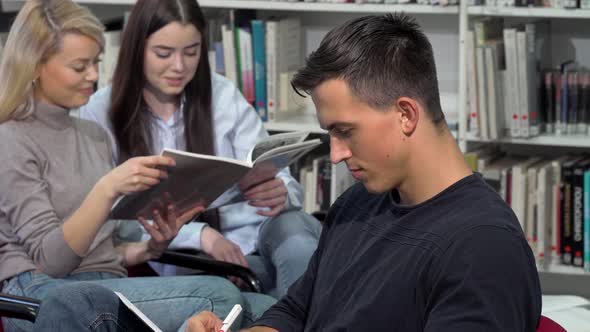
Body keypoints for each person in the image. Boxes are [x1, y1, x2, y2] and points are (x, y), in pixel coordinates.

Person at [184, 13, 543, 332]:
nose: (336, 154)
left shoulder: (483, 249)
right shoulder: (356, 203)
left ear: (406, 115)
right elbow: (297, 310)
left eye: (345, 131)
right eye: (330, 134)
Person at [0, 1, 274, 331]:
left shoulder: (92, 135)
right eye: (79, 66)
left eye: (96, 62)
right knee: (217, 296)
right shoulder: (11, 139)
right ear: (35, 66)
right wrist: (107, 189)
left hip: (104, 284)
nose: (93, 75)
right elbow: (50, 262)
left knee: (269, 310)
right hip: (44, 296)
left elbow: (106, 248)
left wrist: (150, 247)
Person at [78, 0, 321, 298]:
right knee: (272, 288)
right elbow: (107, 218)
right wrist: (201, 235)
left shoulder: (222, 94)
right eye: (163, 53)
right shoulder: (100, 111)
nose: (179, 66)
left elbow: (281, 178)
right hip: (179, 258)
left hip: (256, 233)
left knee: (298, 242)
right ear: (135, 50)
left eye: (191, 52)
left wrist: (281, 193)